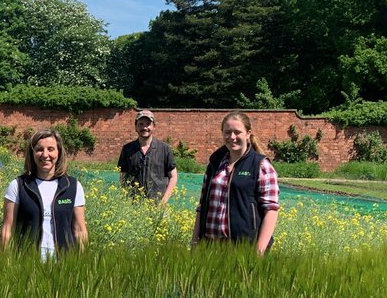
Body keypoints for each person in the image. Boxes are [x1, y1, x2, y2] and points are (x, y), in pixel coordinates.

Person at [191, 111, 279, 255]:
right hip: (210, 247)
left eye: (237, 132)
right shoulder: (215, 163)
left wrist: (259, 252)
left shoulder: (260, 165)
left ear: (248, 133)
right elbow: (202, 206)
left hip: (244, 248)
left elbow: (271, 210)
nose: (232, 137)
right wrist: (195, 242)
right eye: (227, 132)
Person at [0, 129, 88, 259]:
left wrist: (84, 263)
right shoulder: (18, 186)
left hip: (64, 264)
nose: (45, 154)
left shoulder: (73, 186)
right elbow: (8, 229)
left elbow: (80, 230)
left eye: (51, 149)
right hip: (27, 263)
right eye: (39, 149)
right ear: (32, 153)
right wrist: (5, 261)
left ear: (58, 152)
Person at [117, 109, 177, 204]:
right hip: (133, 205)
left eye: (148, 124)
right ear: (135, 127)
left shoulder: (164, 148)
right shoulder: (127, 149)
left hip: (158, 204)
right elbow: (123, 176)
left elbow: (173, 176)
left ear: (154, 126)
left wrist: (164, 200)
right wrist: (126, 198)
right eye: (141, 124)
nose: (144, 127)